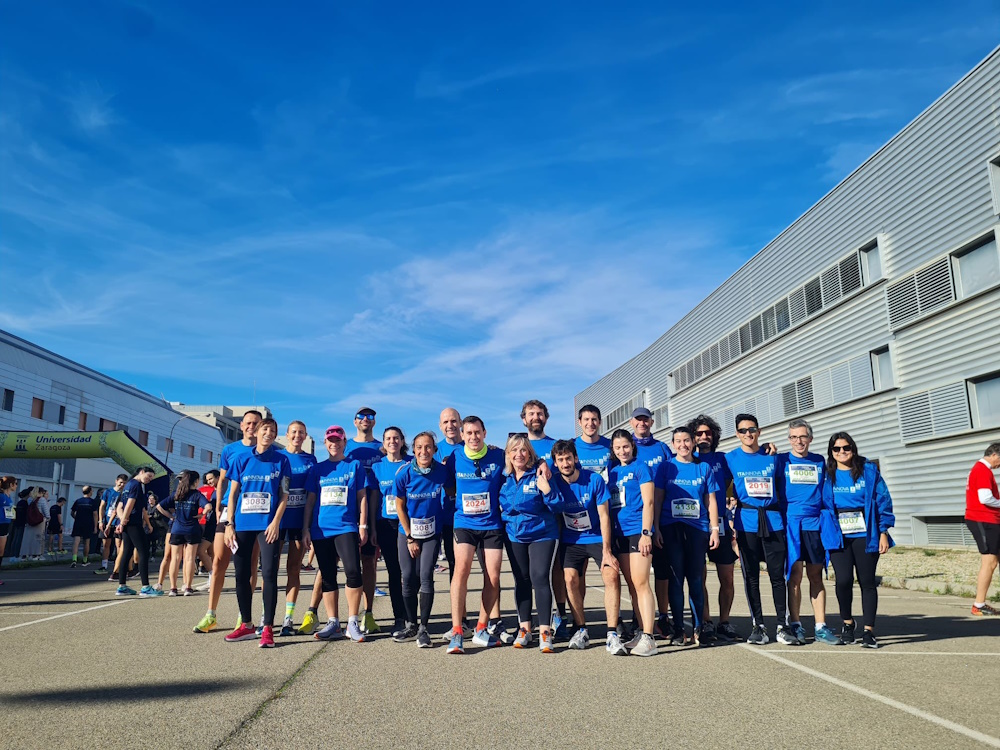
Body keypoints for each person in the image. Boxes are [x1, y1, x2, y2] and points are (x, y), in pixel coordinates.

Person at [550, 439, 624, 655]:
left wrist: (607, 550)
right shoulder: (554, 482)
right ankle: (581, 628)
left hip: (596, 538)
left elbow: (604, 516)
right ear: (555, 463)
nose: (565, 463)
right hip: (571, 541)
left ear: (576, 458)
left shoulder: (594, 479)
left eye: (568, 458)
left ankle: (612, 633)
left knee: (611, 575)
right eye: (560, 460)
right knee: (570, 580)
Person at [224, 417, 291, 648]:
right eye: (265, 429)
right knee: (241, 575)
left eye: (273, 431)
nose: (268, 433)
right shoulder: (241, 458)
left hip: (268, 525)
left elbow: (284, 496)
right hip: (242, 524)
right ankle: (246, 625)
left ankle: (268, 627)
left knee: (269, 574)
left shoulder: (281, 460)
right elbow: (232, 494)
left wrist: (275, 522)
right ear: (257, 431)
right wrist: (228, 524)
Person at [194, 409, 262, 634]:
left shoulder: (264, 451)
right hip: (227, 510)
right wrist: (218, 505)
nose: (252, 426)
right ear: (241, 425)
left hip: (252, 511)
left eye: (256, 423)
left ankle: (244, 614)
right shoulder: (230, 450)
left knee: (251, 565)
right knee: (219, 561)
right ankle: (210, 614)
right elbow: (222, 479)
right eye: (249, 423)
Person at [728, 413, 793, 645]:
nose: (748, 434)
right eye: (743, 430)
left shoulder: (772, 456)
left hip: (774, 521)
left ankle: (782, 625)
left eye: (752, 429)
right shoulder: (731, 458)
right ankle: (759, 626)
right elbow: (720, 489)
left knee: (777, 576)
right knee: (751, 577)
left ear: (759, 431)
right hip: (746, 524)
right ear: (737, 434)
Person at [444, 416, 506, 654]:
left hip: (491, 524)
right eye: (468, 433)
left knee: (493, 577)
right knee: (462, 570)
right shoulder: (455, 458)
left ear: (485, 433)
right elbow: (449, 485)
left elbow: (520, 464)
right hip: (464, 523)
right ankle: (458, 631)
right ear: (462, 435)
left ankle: (481, 627)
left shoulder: (498, 456)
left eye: (477, 432)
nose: (473, 437)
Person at [826, 432, 894, 648]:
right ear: (831, 452)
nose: (842, 452)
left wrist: (883, 530)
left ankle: (868, 631)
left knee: (867, 581)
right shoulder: (827, 474)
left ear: (853, 449)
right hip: (838, 533)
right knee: (843, 580)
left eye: (846, 448)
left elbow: (883, 499)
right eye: (836, 449)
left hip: (867, 533)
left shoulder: (868, 472)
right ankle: (847, 623)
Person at [778, 419, 842, 645]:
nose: (799, 441)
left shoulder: (819, 461)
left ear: (810, 438)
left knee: (816, 576)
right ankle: (795, 624)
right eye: (794, 437)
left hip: (815, 526)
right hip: (791, 526)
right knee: (794, 577)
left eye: (803, 436)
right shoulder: (781, 460)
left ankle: (820, 626)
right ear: (789, 440)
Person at [658, 426, 721, 647]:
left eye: (687, 441)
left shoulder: (703, 468)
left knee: (695, 579)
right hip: (671, 527)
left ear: (693, 443)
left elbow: (711, 501)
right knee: (676, 579)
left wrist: (714, 529)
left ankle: (699, 628)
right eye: (678, 441)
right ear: (673, 444)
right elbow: (658, 500)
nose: (683, 445)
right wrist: (655, 528)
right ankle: (678, 630)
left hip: (698, 529)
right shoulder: (665, 467)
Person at [303, 425, 367, 643]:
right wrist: (305, 528)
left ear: (344, 442)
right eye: (330, 440)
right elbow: (310, 501)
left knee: (352, 571)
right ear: (325, 443)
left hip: (346, 526)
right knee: (328, 575)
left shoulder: (353, 465)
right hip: (321, 529)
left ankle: (352, 621)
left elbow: (362, 497)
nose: (334, 443)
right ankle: (333, 622)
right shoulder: (317, 469)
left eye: (338, 440)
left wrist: (363, 525)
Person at [498, 434, 561, 652]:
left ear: (530, 453)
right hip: (514, 535)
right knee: (521, 580)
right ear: (508, 454)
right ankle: (524, 628)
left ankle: (545, 630)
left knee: (540, 577)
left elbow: (557, 505)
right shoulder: (503, 478)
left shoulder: (540, 474)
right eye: (514, 450)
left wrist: (547, 490)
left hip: (542, 533)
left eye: (523, 450)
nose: (519, 454)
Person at [392, 431, 448, 648]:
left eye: (428, 447)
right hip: (408, 532)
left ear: (434, 449)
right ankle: (411, 624)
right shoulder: (404, 474)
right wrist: (409, 537)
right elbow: (399, 505)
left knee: (425, 576)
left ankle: (424, 628)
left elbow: (452, 492)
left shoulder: (442, 471)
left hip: (432, 533)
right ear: (413, 450)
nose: (423, 451)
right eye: (419, 447)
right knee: (407, 576)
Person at [687, 415, 739, 643]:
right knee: (699, 578)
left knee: (727, 577)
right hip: (696, 525)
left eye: (707, 433)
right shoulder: (687, 459)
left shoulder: (724, 459)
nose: (703, 437)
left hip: (721, 526)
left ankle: (724, 622)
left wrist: (767, 448)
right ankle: (705, 622)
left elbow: (741, 478)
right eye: (698, 434)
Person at [607, 431, 658, 656]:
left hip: (638, 532)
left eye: (626, 446)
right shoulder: (613, 471)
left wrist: (647, 532)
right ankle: (640, 631)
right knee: (631, 585)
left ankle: (649, 637)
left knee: (641, 583)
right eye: (618, 448)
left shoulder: (641, 467)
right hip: (620, 534)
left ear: (632, 446)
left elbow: (649, 501)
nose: (622, 451)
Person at [433, 407, 473, 638]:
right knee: (438, 570)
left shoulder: (467, 446)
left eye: (453, 421)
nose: (450, 425)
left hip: (459, 519)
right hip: (436, 517)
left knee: (459, 569)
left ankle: (463, 620)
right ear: (440, 426)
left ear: (460, 423)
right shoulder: (434, 450)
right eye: (446, 421)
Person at [367, 426, 409, 638]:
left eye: (396, 438)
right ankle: (399, 618)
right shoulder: (377, 467)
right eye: (388, 438)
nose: (392, 441)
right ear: (383, 443)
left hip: (407, 525)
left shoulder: (410, 463)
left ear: (402, 441)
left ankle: (413, 616)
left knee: (411, 573)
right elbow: (374, 499)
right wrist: (372, 527)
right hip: (385, 524)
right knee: (394, 572)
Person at [345, 406, 383, 635]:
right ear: (354, 421)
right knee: (343, 565)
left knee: (369, 563)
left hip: (374, 513)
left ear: (374, 422)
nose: (366, 419)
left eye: (370, 416)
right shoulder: (346, 446)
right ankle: (319, 612)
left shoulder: (381, 447)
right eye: (361, 416)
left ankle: (368, 613)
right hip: (348, 515)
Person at [277, 421, 317, 635]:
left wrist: (308, 526)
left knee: (294, 568)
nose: (297, 435)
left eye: (301, 432)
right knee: (270, 571)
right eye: (294, 432)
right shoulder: (279, 456)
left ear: (306, 436)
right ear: (287, 435)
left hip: (299, 521)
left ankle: (288, 619)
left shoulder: (310, 460)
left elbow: (312, 493)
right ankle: (267, 618)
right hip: (278, 521)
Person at [155, 470, 208, 596]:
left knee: (175, 558)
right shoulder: (197, 494)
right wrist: (201, 515)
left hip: (177, 528)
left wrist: (171, 516)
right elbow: (208, 506)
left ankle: (173, 588)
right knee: (189, 558)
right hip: (192, 529)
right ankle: (188, 587)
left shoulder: (177, 494)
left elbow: (159, 506)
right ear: (195, 482)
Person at [115, 467, 162, 598]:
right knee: (143, 552)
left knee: (127, 552)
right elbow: (130, 503)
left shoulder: (128, 485)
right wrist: (123, 521)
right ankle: (145, 587)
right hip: (133, 523)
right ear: (141, 472)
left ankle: (122, 586)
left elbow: (119, 507)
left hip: (128, 523)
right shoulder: (135, 485)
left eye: (152, 478)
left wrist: (121, 521)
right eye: (149, 476)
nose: (149, 479)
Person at [965, 442, 1000, 615]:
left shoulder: (981, 469)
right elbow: (985, 498)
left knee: (995, 560)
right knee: (990, 562)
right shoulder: (982, 470)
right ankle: (979, 605)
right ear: (994, 455)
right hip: (983, 520)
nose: (999, 465)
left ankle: (980, 604)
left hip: (988, 520)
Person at [96, 475, 127, 576]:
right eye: (121, 482)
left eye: (124, 483)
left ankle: (117, 567)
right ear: (116, 481)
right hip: (107, 520)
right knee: (106, 544)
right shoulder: (108, 492)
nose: (122, 485)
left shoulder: (125, 494)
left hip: (118, 522)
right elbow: (102, 506)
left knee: (119, 545)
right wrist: (100, 521)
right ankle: (104, 565)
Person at [194, 471, 218, 590]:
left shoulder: (222, 491)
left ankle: (213, 577)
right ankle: (212, 580)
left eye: (211, 479)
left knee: (200, 550)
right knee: (211, 553)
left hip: (216, 525)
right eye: (207, 480)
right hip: (210, 523)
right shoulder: (214, 491)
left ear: (218, 477)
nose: (209, 482)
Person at [70, 488, 98, 567]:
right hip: (88, 523)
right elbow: (95, 515)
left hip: (78, 523)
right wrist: (95, 526)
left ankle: (74, 559)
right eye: (92, 491)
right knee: (86, 542)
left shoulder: (78, 501)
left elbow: (72, 512)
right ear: (89, 492)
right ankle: (84, 560)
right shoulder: (92, 502)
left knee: (76, 541)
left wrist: (77, 518)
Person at [0, 476, 18, 584]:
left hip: (6, 524)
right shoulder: (1, 496)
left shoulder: (8, 496)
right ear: (11, 484)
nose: (16, 486)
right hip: (1, 524)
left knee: (1, 551)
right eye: (15, 483)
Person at [26, 488, 49, 560]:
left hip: (30, 521)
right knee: (39, 538)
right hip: (40, 521)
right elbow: (46, 512)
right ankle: (37, 555)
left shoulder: (30, 499)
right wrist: (47, 518)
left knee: (31, 539)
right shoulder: (42, 500)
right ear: (41, 492)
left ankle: (29, 554)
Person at [9, 487, 31, 562]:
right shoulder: (25, 504)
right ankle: (16, 555)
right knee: (19, 539)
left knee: (15, 538)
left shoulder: (19, 502)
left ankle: (12, 554)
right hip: (22, 523)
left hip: (17, 522)